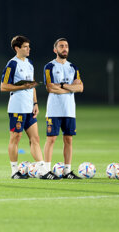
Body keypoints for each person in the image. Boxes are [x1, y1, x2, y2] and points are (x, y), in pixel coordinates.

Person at [0, 35, 47, 179]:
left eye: (28, 46)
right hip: (17, 107)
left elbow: (32, 85)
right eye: (25, 47)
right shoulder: (12, 64)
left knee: (36, 138)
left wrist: (35, 103)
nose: (28, 49)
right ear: (17, 48)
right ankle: (14, 171)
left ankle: (42, 170)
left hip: (29, 107)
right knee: (16, 138)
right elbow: (3, 86)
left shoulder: (30, 63)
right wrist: (21, 87)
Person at [41, 38, 84, 180]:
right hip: (54, 110)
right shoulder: (49, 66)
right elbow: (50, 87)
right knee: (51, 139)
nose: (64, 48)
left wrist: (63, 86)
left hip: (69, 110)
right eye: (61, 46)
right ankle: (46, 171)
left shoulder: (73, 67)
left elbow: (80, 87)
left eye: (66, 46)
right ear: (55, 50)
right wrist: (71, 88)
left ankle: (67, 171)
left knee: (69, 140)